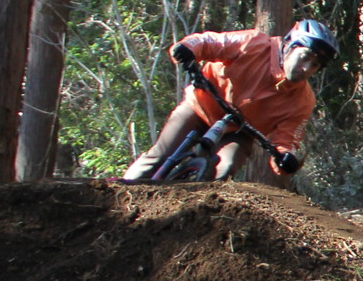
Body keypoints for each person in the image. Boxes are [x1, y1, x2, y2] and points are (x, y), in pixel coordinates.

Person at [123, 19, 336, 181]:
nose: (306, 68)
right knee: (158, 157)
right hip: (200, 107)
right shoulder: (254, 43)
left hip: (239, 131)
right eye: (305, 56)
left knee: (223, 170)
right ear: (290, 45)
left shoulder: (303, 100)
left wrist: (286, 159)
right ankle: (119, 197)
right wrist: (188, 48)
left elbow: (286, 141)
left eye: (315, 65)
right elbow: (209, 42)